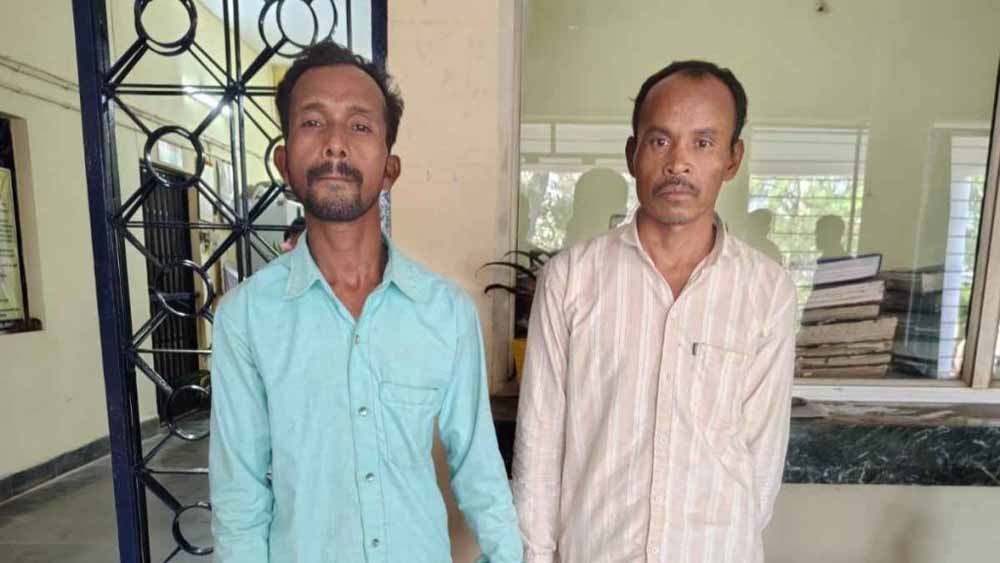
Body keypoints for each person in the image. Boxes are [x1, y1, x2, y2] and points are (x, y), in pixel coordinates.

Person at [210, 40, 522, 563]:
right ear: (284, 162)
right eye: (313, 122)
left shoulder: (444, 313)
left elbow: (481, 474)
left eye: (359, 126)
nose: (335, 144)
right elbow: (239, 500)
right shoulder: (246, 318)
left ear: (390, 168)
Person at [512, 60, 797, 563]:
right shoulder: (571, 280)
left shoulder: (766, 292)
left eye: (703, 143)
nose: (678, 164)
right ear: (633, 153)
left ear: (732, 159)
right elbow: (539, 447)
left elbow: (760, 462)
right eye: (660, 141)